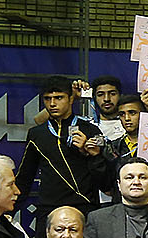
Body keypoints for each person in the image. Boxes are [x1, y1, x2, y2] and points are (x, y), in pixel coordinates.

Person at [15, 74, 110, 227]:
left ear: (71, 99)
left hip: (84, 208)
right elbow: (25, 177)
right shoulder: (36, 134)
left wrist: (93, 155)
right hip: (48, 210)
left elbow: (106, 184)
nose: (52, 103)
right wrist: (9, 211)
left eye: (59, 98)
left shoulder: (90, 130)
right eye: (47, 99)